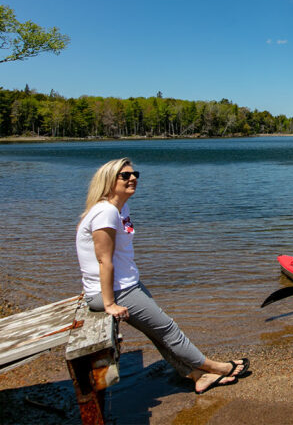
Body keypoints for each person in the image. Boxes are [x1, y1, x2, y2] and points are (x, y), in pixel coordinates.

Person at [75, 158, 250, 395]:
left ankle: (197, 374)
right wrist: (108, 303)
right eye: (125, 176)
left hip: (124, 285)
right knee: (168, 329)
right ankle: (215, 367)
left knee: (158, 332)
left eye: (134, 173)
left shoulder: (119, 208)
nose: (133, 178)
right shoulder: (105, 211)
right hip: (117, 291)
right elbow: (103, 259)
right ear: (109, 181)